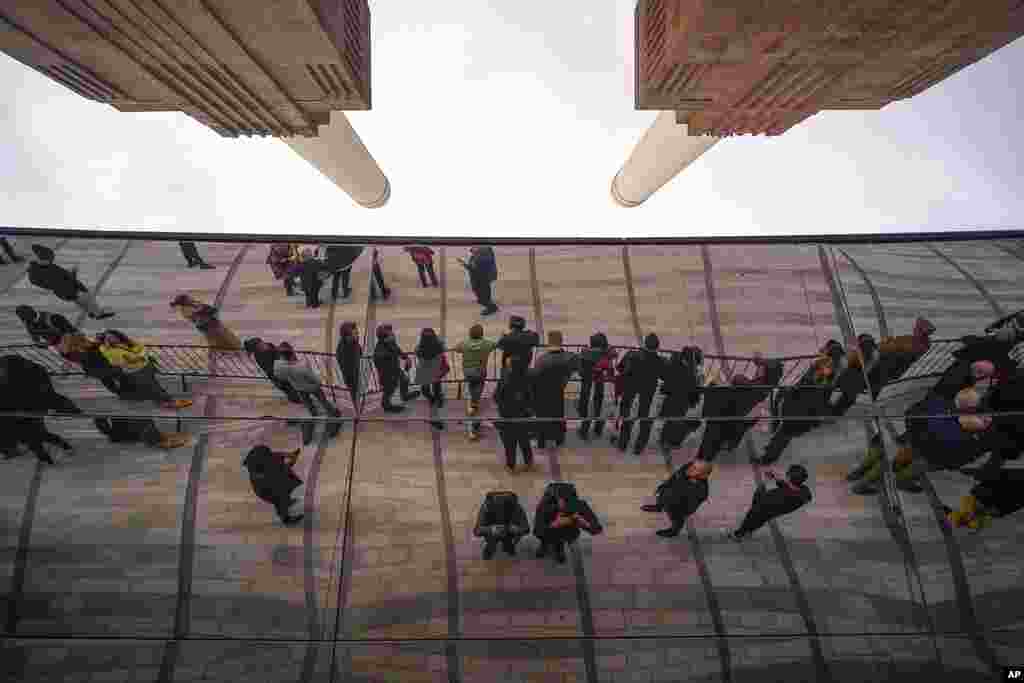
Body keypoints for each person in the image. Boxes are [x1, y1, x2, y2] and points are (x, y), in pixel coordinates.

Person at [756, 340, 846, 465]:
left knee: (786, 432)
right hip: (804, 405)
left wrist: (815, 370)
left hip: (803, 406)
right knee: (785, 430)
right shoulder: (833, 368)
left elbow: (816, 382)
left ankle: (769, 457)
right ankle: (771, 448)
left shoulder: (827, 370)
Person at [829, 319, 937, 417]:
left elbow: (889, 351)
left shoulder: (912, 345)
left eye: (917, 328)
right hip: (886, 370)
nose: (914, 328)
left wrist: (882, 347)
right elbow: (894, 347)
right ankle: (853, 405)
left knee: (854, 387)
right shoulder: (920, 343)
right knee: (869, 387)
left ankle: (837, 411)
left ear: (920, 331)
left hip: (880, 369)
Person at [699, 357, 784, 462]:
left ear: (766, 372)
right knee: (738, 430)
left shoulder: (753, 386)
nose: (759, 369)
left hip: (738, 412)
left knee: (726, 429)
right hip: (748, 413)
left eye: (763, 368)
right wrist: (760, 362)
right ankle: (730, 444)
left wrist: (715, 385)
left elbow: (738, 379)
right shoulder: (770, 381)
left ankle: (716, 448)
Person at [97, 330, 193, 409]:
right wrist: (141, 355)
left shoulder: (125, 343)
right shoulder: (109, 351)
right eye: (109, 338)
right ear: (105, 341)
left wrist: (140, 354)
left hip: (144, 367)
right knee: (153, 386)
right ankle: (169, 402)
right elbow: (131, 360)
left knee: (152, 384)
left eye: (113, 336)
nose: (112, 339)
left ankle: (163, 401)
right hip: (136, 371)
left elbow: (140, 347)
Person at [27, 244, 115, 320]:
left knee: (80, 301)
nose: (50, 261)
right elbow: (55, 281)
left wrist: (71, 273)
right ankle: (98, 313)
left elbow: (60, 274)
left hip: (68, 287)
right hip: (67, 289)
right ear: (40, 259)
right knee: (87, 297)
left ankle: (91, 312)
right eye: (48, 260)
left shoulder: (44, 266)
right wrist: (71, 275)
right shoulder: (37, 273)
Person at [274, 342, 342, 439]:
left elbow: (280, 376)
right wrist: (318, 382)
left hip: (299, 388)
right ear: (292, 352)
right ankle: (332, 412)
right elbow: (314, 379)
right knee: (323, 401)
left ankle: (314, 413)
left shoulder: (281, 366)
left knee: (308, 403)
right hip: (312, 387)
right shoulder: (301, 366)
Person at [728, 464, 812, 540]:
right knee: (761, 520)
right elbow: (791, 489)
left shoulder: (781, 495)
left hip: (764, 507)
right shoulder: (804, 491)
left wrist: (763, 483)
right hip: (775, 511)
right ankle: (749, 531)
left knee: (751, 519)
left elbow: (760, 499)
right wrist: (777, 479)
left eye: (788, 474)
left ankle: (739, 534)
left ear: (789, 477)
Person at [616, 333, 666, 455]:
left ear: (644, 344)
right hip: (647, 397)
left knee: (627, 422)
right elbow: (664, 376)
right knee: (645, 424)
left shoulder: (631, 355)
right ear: (657, 347)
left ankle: (622, 445)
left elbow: (620, 368)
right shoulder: (660, 361)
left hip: (630, 394)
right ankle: (638, 448)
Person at [529, 330, 579, 449]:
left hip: (542, 393)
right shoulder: (569, 357)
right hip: (558, 391)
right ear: (561, 341)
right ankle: (558, 439)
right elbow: (576, 368)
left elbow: (535, 378)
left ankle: (541, 441)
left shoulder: (541, 360)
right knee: (558, 415)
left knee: (542, 417)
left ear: (549, 342)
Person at [533, 483, 602, 564]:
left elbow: (597, 528)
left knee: (562, 549)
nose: (564, 504)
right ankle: (546, 545)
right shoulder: (545, 506)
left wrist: (582, 522)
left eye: (567, 501)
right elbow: (537, 530)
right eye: (562, 501)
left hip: (569, 531)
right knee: (546, 537)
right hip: (549, 530)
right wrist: (554, 524)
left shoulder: (578, 505)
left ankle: (559, 548)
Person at [641, 459, 712, 538]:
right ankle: (659, 507)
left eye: (696, 469)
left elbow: (690, 505)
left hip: (679, 506)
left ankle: (674, 531)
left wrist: (676, 509)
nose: (691, 469)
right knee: (662, 497)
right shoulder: (687, 469)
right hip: (670, 493)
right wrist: (663, 486)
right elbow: (675, 476)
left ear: (704, 475)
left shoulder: (701, 490)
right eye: (692, 466)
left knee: (676, 518)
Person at [451, 324, 497, 440]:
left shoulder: (465, 343)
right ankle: (475, 402)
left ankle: (471, 407)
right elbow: (496, 345)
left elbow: (456, 348)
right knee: (479, 387)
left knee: (469, 391)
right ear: (482, 334)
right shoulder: (487, 343)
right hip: (481, 371)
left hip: (468, 372)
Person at [657, 347, 703, 456]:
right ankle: (668, 442)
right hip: (680, 402)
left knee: (670, 422)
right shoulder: (691, 374)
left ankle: (664, 440)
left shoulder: (675, 364)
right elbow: (694, 390)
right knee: (674, 422)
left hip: (672, 400)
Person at [243, 445, 305, 525]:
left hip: (264, 489)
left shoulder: (257, 463)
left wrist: (290, 455)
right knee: (280, 493)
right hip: (268, 490)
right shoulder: (267, 465)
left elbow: (278, 458)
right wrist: (291, 458)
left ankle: (285, 504)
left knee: (282, 486)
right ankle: (286, 518)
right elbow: (282, 467)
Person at [576, 333, 618, 441]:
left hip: (590, 386)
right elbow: (613, 352)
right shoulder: (608, 354)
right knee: (602, 408)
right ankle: (598, 430)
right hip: (604, 385)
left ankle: (584, 432)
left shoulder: (585, 354)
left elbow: (580, 372)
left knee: (589, 410)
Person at [58, 333, 125, 396]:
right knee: (113, 375)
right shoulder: (80, 351)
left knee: (108, 378)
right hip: (98, 368)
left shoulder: (81, 349)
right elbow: (91, 346)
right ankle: (122, 390)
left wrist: (99, 340)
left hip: (98, 367)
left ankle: (120, 391)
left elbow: (94, 344)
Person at [372, 324, 420, 412]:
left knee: (405, 380)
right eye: (391, 334)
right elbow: (379, 364)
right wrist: (389, 375)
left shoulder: (391, 342)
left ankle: (405, 395)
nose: (393, 335)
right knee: (389, 389)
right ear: (384, 338)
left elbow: (397, 349)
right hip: (387, 373)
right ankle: (386, 405)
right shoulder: (380, 350)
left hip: (395, 369)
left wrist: (406, 357)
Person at [494, 371, 535, 472]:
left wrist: (502, 409)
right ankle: (528, 462)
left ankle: (511, 466)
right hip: (522, 417)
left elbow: (496, 397)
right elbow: (530, 399)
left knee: (510, 444)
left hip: (507, 417)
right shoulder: (525, 381)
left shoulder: (504, 381)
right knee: (524, 441)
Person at [170, 294, 242, 351]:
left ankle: (234, 348)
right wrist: (204, 308)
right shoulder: (186, 310)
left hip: (211, 323)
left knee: (226, 336)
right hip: (206, 326)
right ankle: (228, 350)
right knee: (218, 339)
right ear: (185, 301)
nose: (191, 299)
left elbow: (209, 309)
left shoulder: (194, 304)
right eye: (188, 298)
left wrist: (204, 308)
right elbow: (206, 311)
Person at [243, 338, 304, 404]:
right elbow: (269, 368)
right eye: (260, 345)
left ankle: (299, 396)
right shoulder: (260, 356)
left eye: (262, 343)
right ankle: (296, 400)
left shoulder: (268, 345)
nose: (264, 345)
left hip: (283, 369)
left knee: (294, 384)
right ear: (257, 348)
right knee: (288, 388)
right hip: (277, 374)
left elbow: (276, 351)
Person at [473, 491, 530, 559]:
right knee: (491, 543)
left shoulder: (516, 507)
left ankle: (508, 546)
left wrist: (516, 529)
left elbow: (526, 528)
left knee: (508, 543)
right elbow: (477, 531)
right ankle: (491, 548)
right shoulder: (486, 507)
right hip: (493, 534)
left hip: (509, 532)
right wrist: (491, 529)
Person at [93, 416, 189, 450]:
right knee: (141, 422)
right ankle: (160, 439)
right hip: (127, 431)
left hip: (123, 430)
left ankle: (160, 438)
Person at [496, 316, 540, 382]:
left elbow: (499, 345)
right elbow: (536, 340)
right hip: (524, 369)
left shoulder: (507, 338)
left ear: (510, 325)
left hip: (509, 371)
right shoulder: (531, 336)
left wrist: (504, 336)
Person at [459, 246, 499, 316]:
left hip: (481, 279)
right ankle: (485, 302)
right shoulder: (479, 256)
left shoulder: (482, 257)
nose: (472, 250)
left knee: (483, 294)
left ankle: (491, 307)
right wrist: (466, 265)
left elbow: (477, 269)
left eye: (475, 249)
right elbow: (474, 268)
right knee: (481, 293)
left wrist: (467, 266)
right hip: (479, 278)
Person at [335, 321, 364, 409]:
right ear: (347, 336)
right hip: (351, 377)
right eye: (355, 333)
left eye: (357, 332)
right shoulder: (342, 350)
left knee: (357, 392)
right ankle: (356, 409)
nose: (358, 335)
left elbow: (360, 353)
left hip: (356, 373)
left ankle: (358, 403)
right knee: (354, 393)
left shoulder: (354, 343)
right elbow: (346, 367)